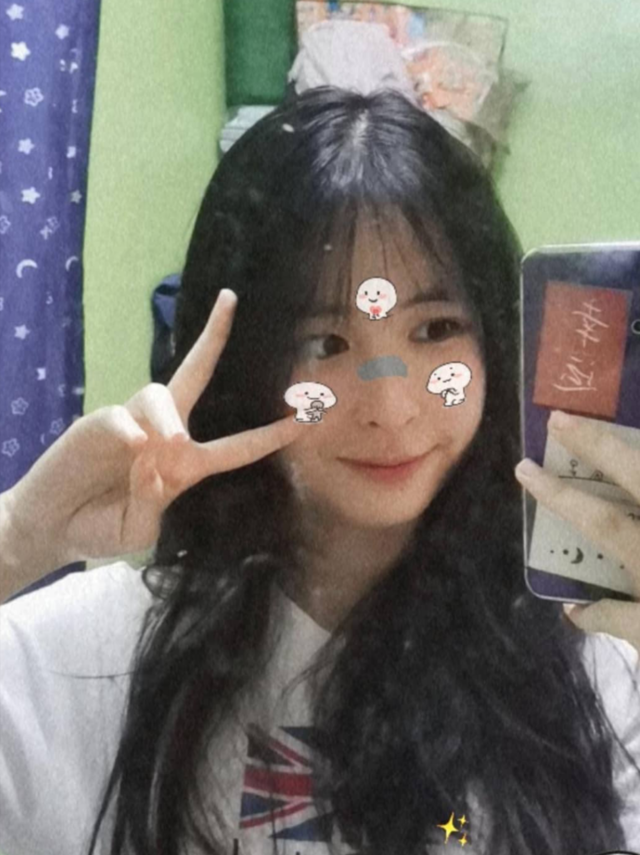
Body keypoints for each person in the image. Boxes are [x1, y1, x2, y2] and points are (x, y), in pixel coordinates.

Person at [0, 85, 639, 855]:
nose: (392, 407)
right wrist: (16, 533)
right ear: (243, 367)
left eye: (436, 328)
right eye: (324, 344)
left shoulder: (589, 662)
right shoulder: (94, 661)